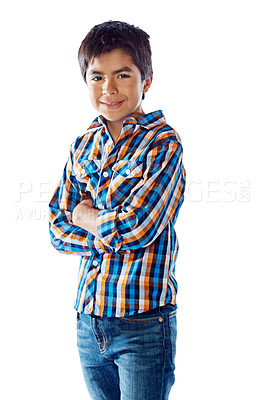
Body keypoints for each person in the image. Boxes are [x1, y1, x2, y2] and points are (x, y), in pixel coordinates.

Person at [49, 20, 186, 400]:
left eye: (122, 75)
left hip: (142, 322)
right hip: (88, 321)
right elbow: (57, 227)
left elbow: (139, 228)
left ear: (147, 81)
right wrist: (110, 231)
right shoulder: (83, 144)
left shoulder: (162, 145)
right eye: (97, 77)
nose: (109, 89)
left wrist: (88, 217)